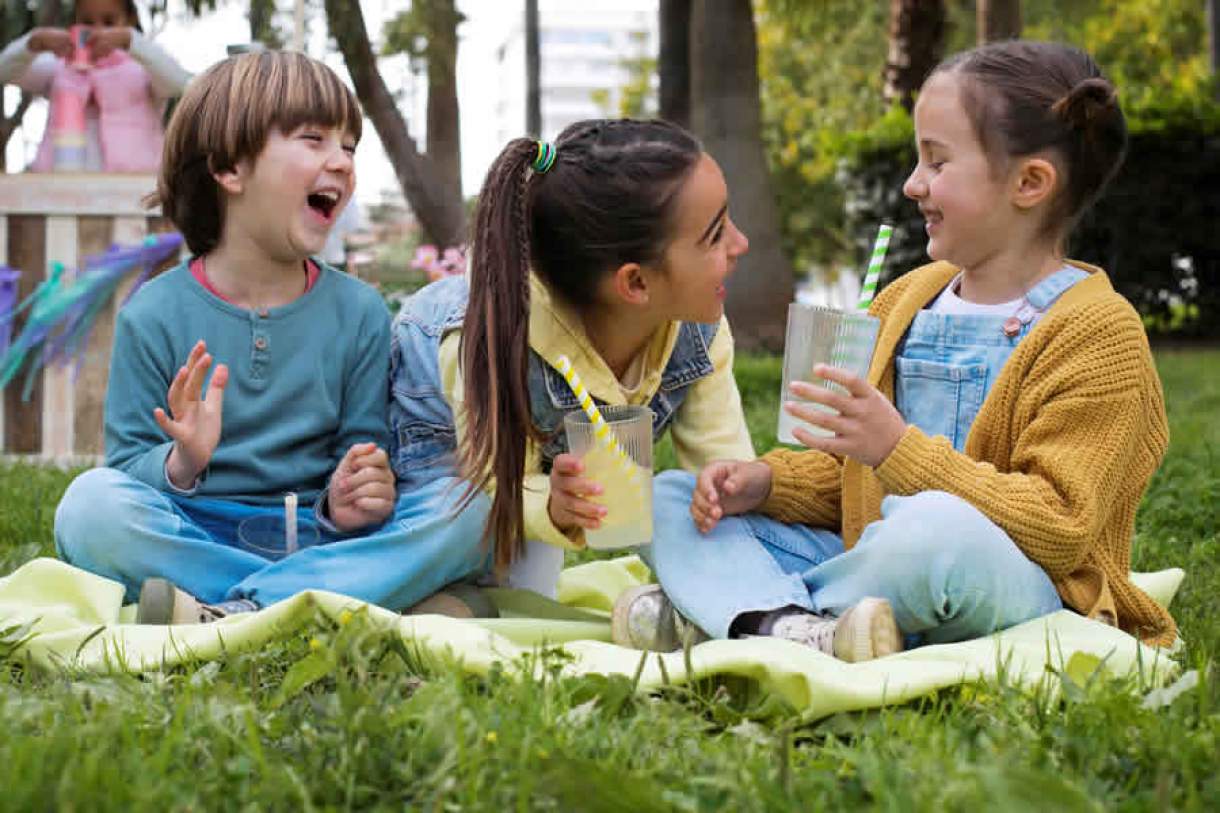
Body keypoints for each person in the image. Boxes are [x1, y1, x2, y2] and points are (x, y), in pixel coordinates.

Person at [615, 40, 1177, 659]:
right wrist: (767, 483)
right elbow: (849, 480)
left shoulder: (1098, 333)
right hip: (868, 558)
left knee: (933, 532)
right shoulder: (907, 299)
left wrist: (895, 448)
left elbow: (1058, 526)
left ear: (1029, 182)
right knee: (669, 500)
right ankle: (796, 624)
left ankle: (730, 608)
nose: (913, 184)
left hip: (1006, 581)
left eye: (937, 162)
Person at [53, 51, 488, 624]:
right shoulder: (152, 314)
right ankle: (348, 599)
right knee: (88, 508)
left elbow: (362, 452)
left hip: (322, 540)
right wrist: (183, 460)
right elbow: (127, 467)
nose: (342, 161)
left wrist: (354, 494)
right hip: (197, 535)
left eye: (349, 147)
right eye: (314, 139)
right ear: (229, 169)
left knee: (475, 505)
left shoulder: (360, 311)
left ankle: (233, 611)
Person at [390, 119, 755, 601]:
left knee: (531, 579)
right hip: (447, 437)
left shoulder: (698, 330)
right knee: (465, 534)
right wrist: (551, 507)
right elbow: (494, 483)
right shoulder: (488, 339)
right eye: (715, 235)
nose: (741, 244)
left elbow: (725, 467)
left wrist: (732, 491)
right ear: (636, 283)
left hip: (531, 470)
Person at [0, 0, 190, 173]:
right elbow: (4, 72)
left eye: (109, 22)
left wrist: (131, 41)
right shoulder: (59, 67)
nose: (98, 31)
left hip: (133, 188)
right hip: (62, 189)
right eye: (87, 22)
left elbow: (178, 83)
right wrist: (33, 43)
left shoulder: (143, 70)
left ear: (130, 20)